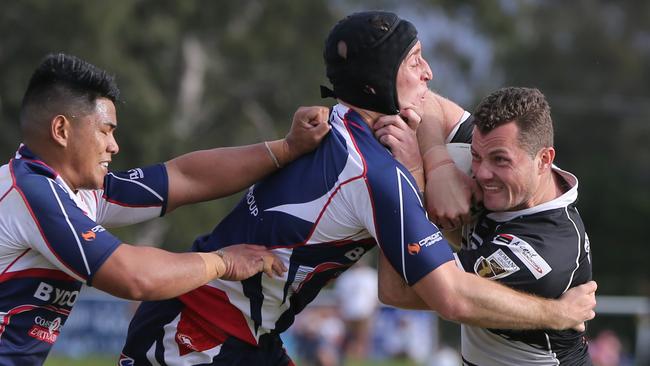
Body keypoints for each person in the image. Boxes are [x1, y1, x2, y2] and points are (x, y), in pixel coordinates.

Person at [119, 11, 596, 365]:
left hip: (247, 334)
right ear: (380, 80)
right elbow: (450, 297)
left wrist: (433, 163)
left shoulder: (343, 124)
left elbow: (426, 107)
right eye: (415, 62)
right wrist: (558, 314)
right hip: (196, 334)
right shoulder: (380, 175)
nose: (429, 73)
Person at [0, 53, 330, 365]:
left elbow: (183, 177)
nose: (114, 145)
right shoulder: (31, 193)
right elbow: (134, 277)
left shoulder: (72, 190)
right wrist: (222, 261)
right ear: (61, 130)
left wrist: (286, 148)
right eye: (105, 130)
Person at [379, 87, 593, 365]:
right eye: (477, 157)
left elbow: (400, 291)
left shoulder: (546, 250)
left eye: (500, 161)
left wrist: (407, 179)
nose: (481, 172)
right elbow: (423, 100)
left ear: (544, 160)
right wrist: (438, 162)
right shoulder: (499, 149)